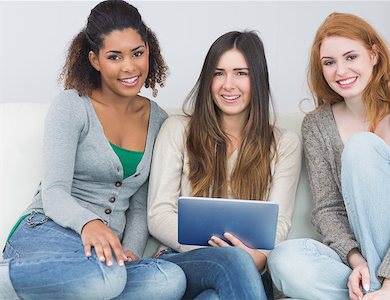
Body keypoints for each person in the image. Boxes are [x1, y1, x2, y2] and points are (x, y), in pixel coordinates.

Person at [0, 0, 187, 299]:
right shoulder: (72, 106)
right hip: (49, 231)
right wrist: (89, 223)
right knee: (108, 279)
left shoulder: (159, 120)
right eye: (115, 57)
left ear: (149, 51)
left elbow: (139, 207)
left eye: (137, 53)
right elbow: (54, 191)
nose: (129, 66)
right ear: (95, 60)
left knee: (169, 279)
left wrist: (130, 252)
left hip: (103, 256)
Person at [268, 12, 390, 300]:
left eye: (350, 57)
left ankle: (386, 292)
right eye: (329, 63)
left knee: (362, 147)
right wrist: (356, 260)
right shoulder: (317, 126)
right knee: (284, 259)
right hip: (365, 254)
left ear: (374, 55)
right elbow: (328, 208)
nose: (340, 71)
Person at [147, 30, 301, 299]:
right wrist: (222, 253)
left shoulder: (285, 143)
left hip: (249, 266)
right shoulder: (177, 130)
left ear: (258, 79)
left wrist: (257, 258)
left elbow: (280, 220)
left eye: (241, 73)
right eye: (219, 73)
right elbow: (159, 214)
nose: (228, 84)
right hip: (183, 262)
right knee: (232, 261)